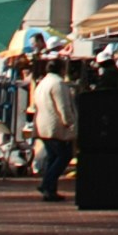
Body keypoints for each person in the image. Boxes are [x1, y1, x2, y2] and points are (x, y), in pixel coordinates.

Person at [30, 58, 77, 200]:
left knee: (53, 157)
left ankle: (50, 190)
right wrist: (70, 122)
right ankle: (46, 184)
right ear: (62, 69)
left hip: (42, 125)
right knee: (64, 155)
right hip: (55, 126)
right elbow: (63, 106)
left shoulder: (42, 83)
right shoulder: (58, 84)